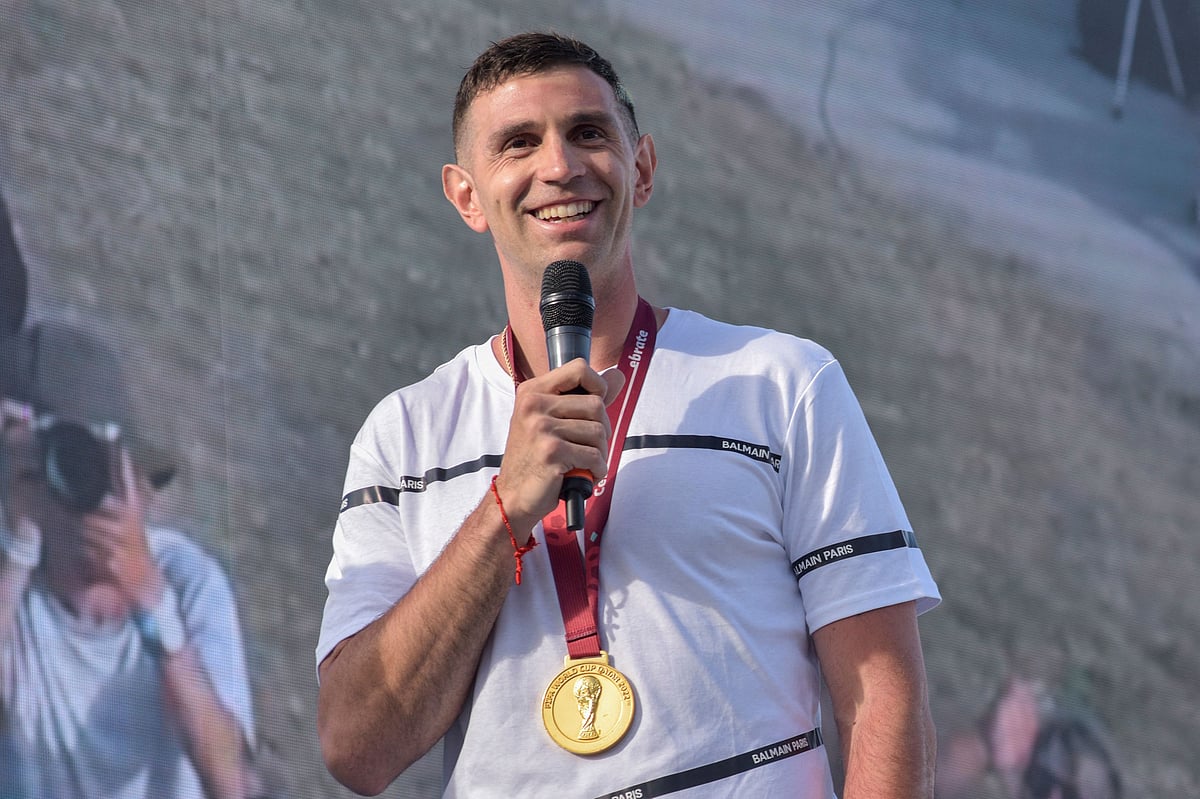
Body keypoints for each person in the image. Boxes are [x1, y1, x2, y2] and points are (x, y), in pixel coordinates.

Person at [316, 31, 941, 798]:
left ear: (640, 168)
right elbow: (357, 747)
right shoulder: (403, 436)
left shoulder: (782, 384)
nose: (559, 166)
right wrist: (506, 508)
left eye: (588, 133)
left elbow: (882, 696)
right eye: (518, 143)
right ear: (467, 195)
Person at [0, 322, 258, 799]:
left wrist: (153, 603)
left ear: (133, 472)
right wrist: (15, 548)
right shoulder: (14, 581)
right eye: (60, 460)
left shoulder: (188, 582)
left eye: (91, 461)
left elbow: (233, 784)